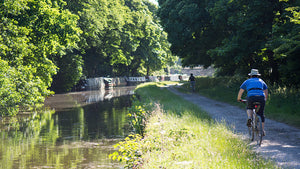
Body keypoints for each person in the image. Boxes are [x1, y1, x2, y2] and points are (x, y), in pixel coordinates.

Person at [237, 69, 268, 136]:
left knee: (249, 107)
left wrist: (239, 99)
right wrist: (265, 99)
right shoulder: (261, 81)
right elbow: (266, 92)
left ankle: (250, 117)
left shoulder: (247, 81)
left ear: (250, 76)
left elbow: (241, 91)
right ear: (257, 75)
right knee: (261, 113)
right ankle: (262, 130)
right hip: (261, 97)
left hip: (251, 97)